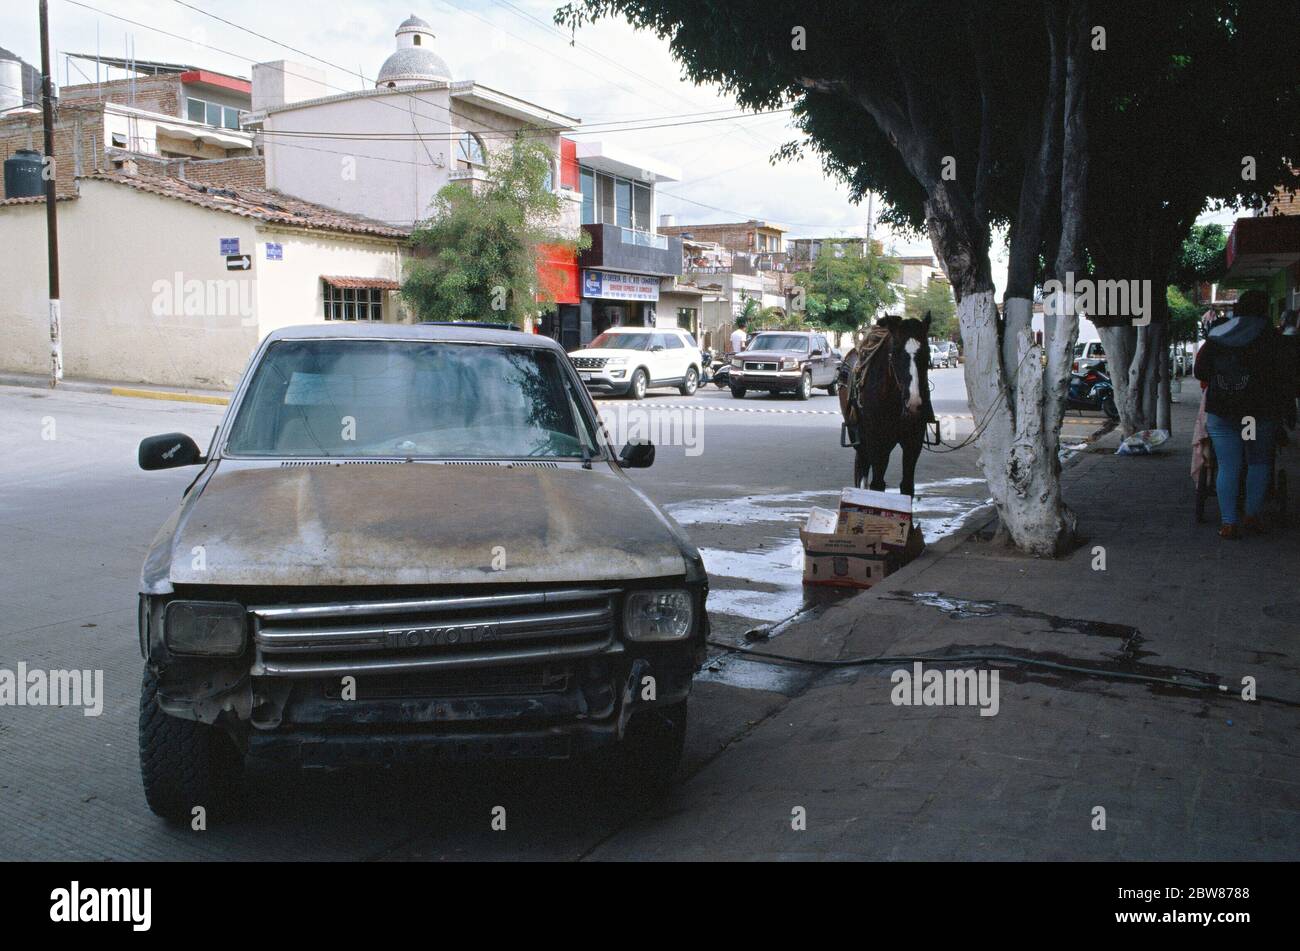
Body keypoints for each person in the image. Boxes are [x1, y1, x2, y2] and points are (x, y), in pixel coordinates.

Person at [1193, 289, 1291, 538]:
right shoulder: (1272, 338)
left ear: (1237, 308)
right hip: (1256, 415)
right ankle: (1251, 516)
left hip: (1222, 412)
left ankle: (1228, 523)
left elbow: (1200, 371)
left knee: (1228, 465)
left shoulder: (1218, 335)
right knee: (1258, 462)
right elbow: (1285, 377)